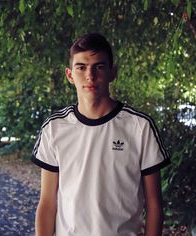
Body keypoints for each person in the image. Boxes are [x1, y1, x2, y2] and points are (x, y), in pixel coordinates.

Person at [31, 32, 171, 236]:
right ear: (70, 75)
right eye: (81, 67)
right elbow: (47, 203)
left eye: (99, 66)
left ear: (113, 72)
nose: (90, 75)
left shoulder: (140, 126)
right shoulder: (54, 127)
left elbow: (154, 205)